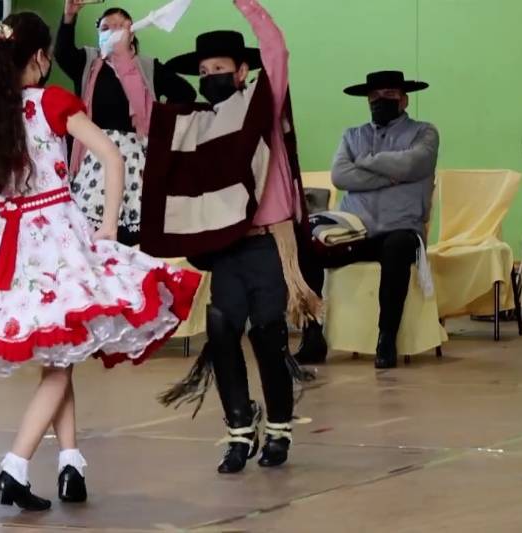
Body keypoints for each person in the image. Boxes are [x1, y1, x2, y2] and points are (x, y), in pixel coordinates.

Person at [0, 13, 201, 511]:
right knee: (59, 361)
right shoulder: (54, 101)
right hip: (60, 237)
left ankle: (71, 465)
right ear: (40, 59)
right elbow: (112, 155)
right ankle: (13, 467)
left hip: (17, 243)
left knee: (60, 353)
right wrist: (107, 224)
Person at [141, 0, 320, 474]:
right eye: (203, 70)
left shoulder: (263, 103)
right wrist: (119, 56)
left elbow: (276, 52)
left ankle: (279, 428)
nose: (210, 77)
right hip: (226, 245)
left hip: (267, 241)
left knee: (268, 333)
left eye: (219, 68)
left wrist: (247, 6)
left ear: (242, 71)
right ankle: (240, 430)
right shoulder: (198, 123)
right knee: (222, 333)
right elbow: (146, 116)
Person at [295, 71, 439, 369]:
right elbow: (339, 176)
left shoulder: (424, 132)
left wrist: (365, 163)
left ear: (404, 98)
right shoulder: (352, 135)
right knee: (305, 241)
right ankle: (312, 335)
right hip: (353, 230)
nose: (379, 101)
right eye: (373, 97)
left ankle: (386, 338)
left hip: (401, 229)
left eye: (388, 95)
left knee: (397, 246)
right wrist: (392, 174)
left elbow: (413, 163)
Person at [56, 0, 196, 246]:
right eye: (106, 27)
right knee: (90, 232)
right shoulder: (89, 62)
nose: (112, 32)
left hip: (135, 157)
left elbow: (185, 93)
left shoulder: (147, 67)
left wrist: (158, 124)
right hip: (95, 156)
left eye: (120, 26)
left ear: (132, 34)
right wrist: (69, 17)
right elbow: (62, 53)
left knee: (134, 233)